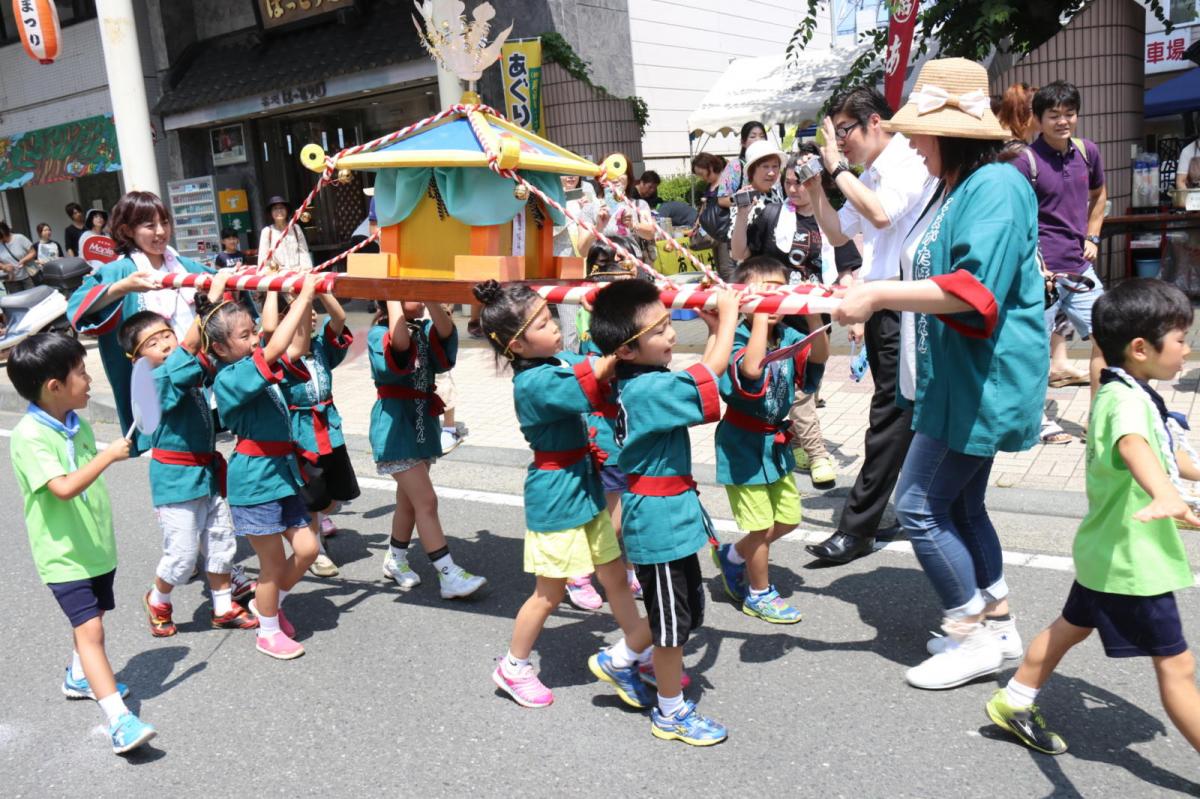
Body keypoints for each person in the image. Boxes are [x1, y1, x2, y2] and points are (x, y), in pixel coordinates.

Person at [830, 57, 1046, 688]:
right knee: (964, 505)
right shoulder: (959, 185)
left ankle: (970, 632)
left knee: (919, 505)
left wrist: (877, 295)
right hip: (956, 374)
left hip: (982, 378)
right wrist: (869, 288)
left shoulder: (995, 186)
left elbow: (973, 291)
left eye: (920, 133)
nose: (913, 144)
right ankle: (997, 625)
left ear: (951, 133)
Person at [986, 278, 1200, 756]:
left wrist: (1181, 482)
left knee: (1071, 626)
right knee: (1178, 668)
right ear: (1141, 348)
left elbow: (1164, 451)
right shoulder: (1125, 403)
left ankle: (1013, 700)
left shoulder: (1125, 389)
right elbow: (1134, 446)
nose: (1187, 350)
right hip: (1133, 562)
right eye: (1182, 339)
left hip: (1106, 548)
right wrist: (1165, 494)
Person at [473, 279, 656, 710]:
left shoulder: (555, 360)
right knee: (549, 593)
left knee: (615, 576)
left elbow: (592, 362)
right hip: (556, 494)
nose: (554, 325)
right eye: (541, 323)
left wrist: (603, 324)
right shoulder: (533, 383)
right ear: (516, 345)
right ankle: (514, 666)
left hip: (583, 484)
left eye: (550, 316)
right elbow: (598, 372)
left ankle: (638, 649)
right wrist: (623, 332)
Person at [589, 278, 742, 746]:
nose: (671, 334)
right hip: (657, 521)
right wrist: (729, 319)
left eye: (668, 322)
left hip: (670, 515)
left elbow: (702, 375)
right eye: (658, 330)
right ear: (627, 351)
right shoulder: (647, 390)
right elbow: (710, 373)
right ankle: (670, 713)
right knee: (672, 628)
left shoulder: (645, 381)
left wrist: (715, 329)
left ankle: (619, 659)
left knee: (682, 614)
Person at [803, 84, 938, 564]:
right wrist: (816, 186)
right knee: (901, 414)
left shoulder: (906, 162)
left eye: (844, 131)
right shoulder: (870, 172)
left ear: (874, 121)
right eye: (836, 135)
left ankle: (858, 526)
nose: (841, 143)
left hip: (907, 304)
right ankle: (897, 510)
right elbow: (838, 231)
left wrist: (836, 168)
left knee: (892, 414)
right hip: (883, 305)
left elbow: (880, 215)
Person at [7, 332, 156, 754]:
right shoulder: (29, 436)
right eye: (81, 372)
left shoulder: (80, 425)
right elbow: (63, 488)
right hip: (63, 555)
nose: (89, 380)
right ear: (55, 386)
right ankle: (120, 720)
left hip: (96, 546)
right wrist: (106, 456)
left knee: (95, 618)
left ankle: (78, 677)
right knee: (90, 630)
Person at [119, 290, 258, 637]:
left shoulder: (184, 368)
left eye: (167, 334)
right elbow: (188, 352)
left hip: (206, 474)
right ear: (137, 360)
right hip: (175, 480)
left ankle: (223, 607)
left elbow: (206, 354)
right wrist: (203, 312)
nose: (165, 344)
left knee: (222, 542)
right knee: (181, 557)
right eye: (152, 343)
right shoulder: (152, 382)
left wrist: (221, 321)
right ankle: (158, 599)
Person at [201, 274, 322, 660]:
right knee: (271, 565)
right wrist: (303, 296)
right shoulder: (230, 377)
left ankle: (268, 604)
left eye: (254, 331)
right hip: (254, 480)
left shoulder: (252, 366)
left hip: (280, 473)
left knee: (308, 548)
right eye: (245, 335)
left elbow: (297, 346)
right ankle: (267, 631)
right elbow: (278, 347)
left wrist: (303, 300)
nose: (255, 339)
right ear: (220, 348)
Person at [732, 146, 862, 490]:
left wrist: (856, 318)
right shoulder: (772, 216)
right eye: (788, 182)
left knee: (806, 386)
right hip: (777, 319)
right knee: (798, 386)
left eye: (800, 182)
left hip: (816, 318)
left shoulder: (831, 219)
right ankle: (818, 454)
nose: (793, 188)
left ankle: (797, 441)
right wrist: (743, 215)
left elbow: (847, 269)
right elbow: (741, 253)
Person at [711, 256, 829, 623]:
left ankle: (733, 556)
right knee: (760, 527)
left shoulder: (788, 334)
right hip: (742, 446)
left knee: (789, 518)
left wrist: (813, 315)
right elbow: (751, 370)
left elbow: (818, 357)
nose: (772, 300)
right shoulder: (738, 337)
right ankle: (759, 594)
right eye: (763, 294)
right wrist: (760, 316)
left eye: (779, 292)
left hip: (775, 446)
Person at [68, 191, 211, 443]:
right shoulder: (120, 270)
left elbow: (220, 281)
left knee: (204, 442)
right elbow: (78, 307)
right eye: (149, 225)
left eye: (164, 222)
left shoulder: (184, 265)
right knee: (172, 450)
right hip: (159, 384)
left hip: (196, 376)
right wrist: (122, 287)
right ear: (127, 230)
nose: (161, 231)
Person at [371, 299, 487, 599]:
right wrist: (393, 295)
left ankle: (395, 559)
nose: (419, 297)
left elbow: (446, 334)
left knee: (409, 502)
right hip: (395, 428)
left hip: (422, 423)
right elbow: (399, 346)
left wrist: (431, 296)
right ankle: (448, 574)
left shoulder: (423, 328)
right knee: (426, 501)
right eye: (412, 292)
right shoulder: (378, 333)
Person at [1011, 81, 1107, 398]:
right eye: (1054, 115)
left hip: (1080, 269)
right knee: (1034, 352)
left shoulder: (1087, 152)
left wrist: (1092, 237)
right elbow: (1014, 219)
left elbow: (1099, 195)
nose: (1063, 121)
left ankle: (1099, 415)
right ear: (1039, 119)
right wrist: (1034, 266)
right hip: (1041, 276)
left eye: (1069, 113)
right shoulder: (1025, 161)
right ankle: (1034, 417)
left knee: (1108, 336)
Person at [262, 290, 359, 579]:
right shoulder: (278, 353)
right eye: (302, 309)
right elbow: (270, 327)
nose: (311, 313)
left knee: (333, 495)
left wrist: (321, 292)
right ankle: (315, 549)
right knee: (312, 495)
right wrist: (283, 294)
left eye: (311, 309)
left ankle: (312, 524)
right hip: (301, 431)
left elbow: (339, 318)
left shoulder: (319, 345)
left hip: (328, 426)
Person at [691, 152, 734, 277]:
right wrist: (697, 223)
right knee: (720, 268)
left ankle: (734, 288)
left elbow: (733, 202)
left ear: (710, 167)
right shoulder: (709, 185)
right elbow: (705, 206)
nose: (702, 178)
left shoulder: (727, 182)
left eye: (702, 174)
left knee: (727, 269)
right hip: (713, 231)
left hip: (725, 230)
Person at [257, 195, 312, 272]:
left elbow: (303, 251)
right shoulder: (267, 231)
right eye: (275, 208)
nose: (279, 211)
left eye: (282, 208)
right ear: (271, 213)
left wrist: (306, 270)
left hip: (298, 271)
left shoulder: (295, 228)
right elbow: (263, 258)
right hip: (278, 274)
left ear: (287, 211)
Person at [0, 220, 37, 294]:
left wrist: (23, 260)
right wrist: (4, 267)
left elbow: (33, 252)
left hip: (28, 277)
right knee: (18, 299)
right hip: (11, 280)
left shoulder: (19, 238)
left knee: (33, 297)